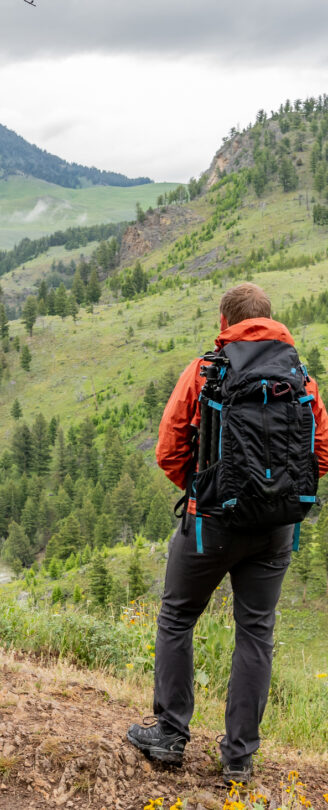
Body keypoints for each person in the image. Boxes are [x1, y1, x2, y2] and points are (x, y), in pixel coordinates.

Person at [126, 283, 328, 785]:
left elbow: (169, 448)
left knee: (177, 616)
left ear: (224, 321)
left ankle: (170, 735)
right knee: (255, 632)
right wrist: (278, 498)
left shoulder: (204, 372)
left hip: (210, 525)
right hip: (275, 530)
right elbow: (321, 454)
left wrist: (204, 492)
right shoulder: (302, 379)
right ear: (270, 319)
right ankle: (239, 757)